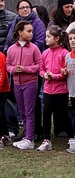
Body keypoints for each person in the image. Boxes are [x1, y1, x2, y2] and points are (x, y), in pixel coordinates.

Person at [6, 21, 41, 149]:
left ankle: (29, 138)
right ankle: (27, 136)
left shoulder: (34, 48)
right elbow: (8, 65)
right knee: (22, 112)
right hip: (16, 84)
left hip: (30, 84)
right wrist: (14, 70)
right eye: (29, 31)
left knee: (29, 111)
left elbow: (39, 65)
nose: (31, 33)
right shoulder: (11, 49)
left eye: (32, 31)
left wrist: (25, 69)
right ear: (20, 32)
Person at [38, 25, 73, 151]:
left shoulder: (65, 53)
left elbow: (66, 72)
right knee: (46, 113)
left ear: (57, 38)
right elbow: (41, 69)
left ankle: (72, 137)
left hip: (61, 90)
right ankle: (46, 140)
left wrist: (56, 76)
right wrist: (44, 75)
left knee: (63, 114)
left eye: (49, 37)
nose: (46, 39)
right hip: (47, 89)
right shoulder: (45, 53)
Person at [0, 49, 10, 147]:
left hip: (2, 90)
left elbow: (2, 74)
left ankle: (3, 135)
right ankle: (5, 135)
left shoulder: (1, 56)